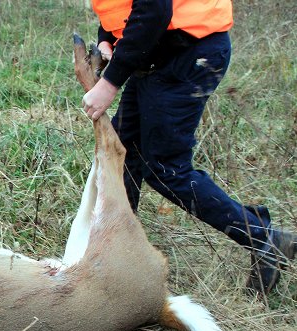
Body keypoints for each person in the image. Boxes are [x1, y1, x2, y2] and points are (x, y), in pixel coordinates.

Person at [81, 0, 295, 295]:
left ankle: (264, 238)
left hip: (189, 54)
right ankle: (117, 250)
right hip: (156, 55)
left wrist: (109, 83)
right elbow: (122, 8)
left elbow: (153, 11)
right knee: (121, 151)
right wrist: (107, 37)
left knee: (166, 168)